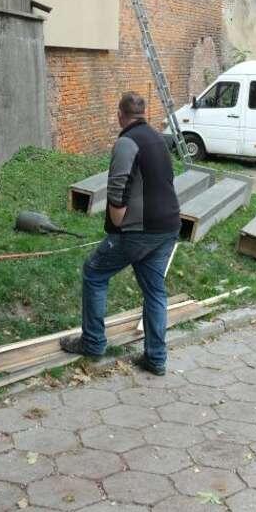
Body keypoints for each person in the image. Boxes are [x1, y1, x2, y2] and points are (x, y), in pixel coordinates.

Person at [61, 92, 179, 375]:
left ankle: (92, 342)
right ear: (143, 113)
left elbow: (118, 185)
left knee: (94, 272)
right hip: (169, 226)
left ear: (119, 115)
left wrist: (117, 222)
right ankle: (156, 359)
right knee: (154, 291)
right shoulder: (157, 137)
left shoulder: (127, 142)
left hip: (139, 230)